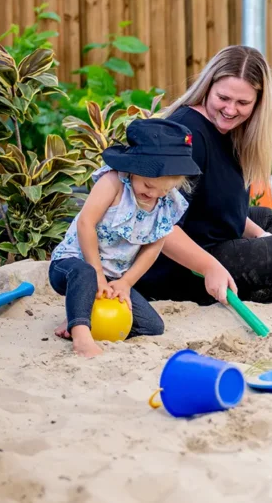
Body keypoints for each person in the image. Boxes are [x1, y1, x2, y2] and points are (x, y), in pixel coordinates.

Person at [133, 46, 272, 306]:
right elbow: (157, 225)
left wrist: (264, 240)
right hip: (180, 264)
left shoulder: (230, 132)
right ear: (207, 88)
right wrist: (209, 267)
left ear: (258, 103)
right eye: (223, 98)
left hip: (211, 238)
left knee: (270, 221)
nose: (230, 110)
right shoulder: (188, 135)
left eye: (242, 103)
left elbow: (217, 207)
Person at [49, 118, 198, 357]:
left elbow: (154, 245)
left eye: (164, 190)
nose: (154, 195)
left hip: (112, 275)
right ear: (133, 168)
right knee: (85, 274)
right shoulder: (114, 183)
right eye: (149, 185)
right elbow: (86, 223)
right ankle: (81, 336)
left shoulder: (166, 202)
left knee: (152, 326)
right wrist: (97, 271)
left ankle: (79, 316)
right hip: (73, 264)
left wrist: (126, 282)